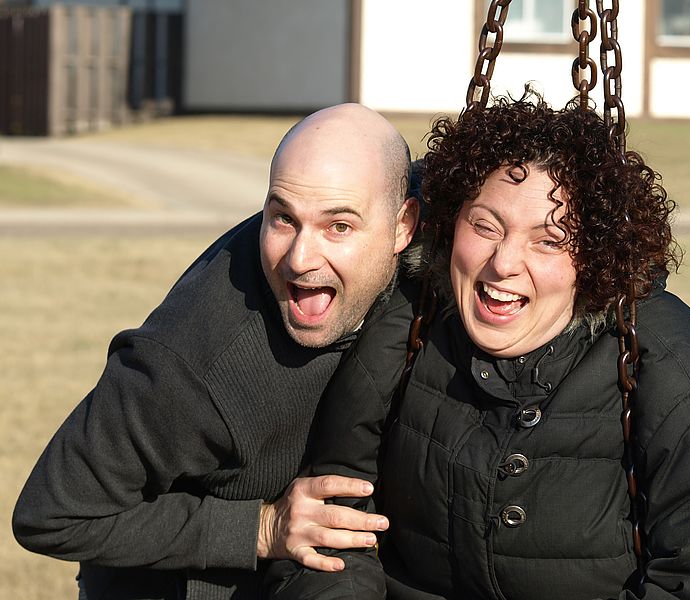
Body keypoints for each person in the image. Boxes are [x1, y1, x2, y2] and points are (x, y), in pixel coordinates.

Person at [266, 89, 690, 600]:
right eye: (485, 226)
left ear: (594, 257)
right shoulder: (406, 327)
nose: (503, 262)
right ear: (451, 224)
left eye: (548, 240)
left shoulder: (668, 363)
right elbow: (333, 532)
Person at [12, 103, 420, 599]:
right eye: (283, 219)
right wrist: (261, 528)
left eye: (339, 227)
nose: (300, 258)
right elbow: (52, 513)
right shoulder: (189, 365)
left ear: (405, 226)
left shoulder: (431, 225)